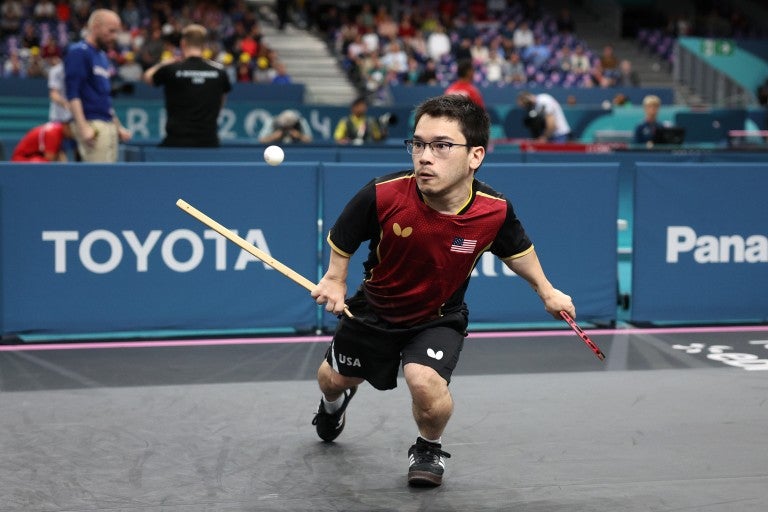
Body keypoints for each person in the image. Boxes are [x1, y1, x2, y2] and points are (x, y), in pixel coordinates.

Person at [310, 95, 575, 487]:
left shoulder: (493, 210)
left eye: (441, 146)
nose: (424, 156)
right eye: (418, 144)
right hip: (373, 309)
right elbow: (344, 236)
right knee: (333, 381)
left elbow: (517, 250)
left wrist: (546, 290)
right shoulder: (384, 194)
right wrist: (334, 279)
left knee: (424, 381)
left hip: (437, 315)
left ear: (475, 156)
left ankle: (428, 447)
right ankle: (334, 406)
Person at [143, 24, 232, 147]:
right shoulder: (220, 72)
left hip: (176, 142)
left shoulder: (171, 69)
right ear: (204, 45)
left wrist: (164, 63)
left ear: (183, 43)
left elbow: (148, 77)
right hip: (209, 142)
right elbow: (221, 100)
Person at [64, 9, 131, 162]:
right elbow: (72, 93)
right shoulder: (79, 52)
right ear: (95, 27)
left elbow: (104, 98)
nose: (114, 37)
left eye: (117, 32)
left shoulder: (102, 57)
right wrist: (83, 127)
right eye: (111, 31)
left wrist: (118, 126)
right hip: (92, 125)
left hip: (107, 125)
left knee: (109, 178)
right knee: (98, 180)